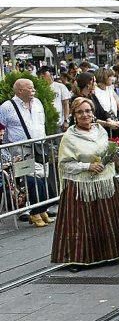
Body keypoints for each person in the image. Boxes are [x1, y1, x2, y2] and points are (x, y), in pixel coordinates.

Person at [51, 98, 119, 266]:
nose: (85, 115)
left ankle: (110, 253)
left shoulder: (100, 130)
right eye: (80, 112)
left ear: (93, 113)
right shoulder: (69, 137)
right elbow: (65, 164)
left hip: (105, 182)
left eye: (88, 111)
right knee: (82, 223)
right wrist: (88, 166)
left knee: (105, 219)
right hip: (81, 186)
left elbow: (106, 151)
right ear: (74, 115)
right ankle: (80, 257)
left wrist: (114, 158)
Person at [0, 77, 54, 227]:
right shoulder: (7, 107)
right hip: (19, 150)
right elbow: (0, 128)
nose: (33, 90)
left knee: (42, 179)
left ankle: (42, 210)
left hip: (39, 147)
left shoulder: (37, 103)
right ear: (19, 90)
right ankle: (34, 213)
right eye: (30, 88)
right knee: (31, 181)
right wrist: (5, 154)